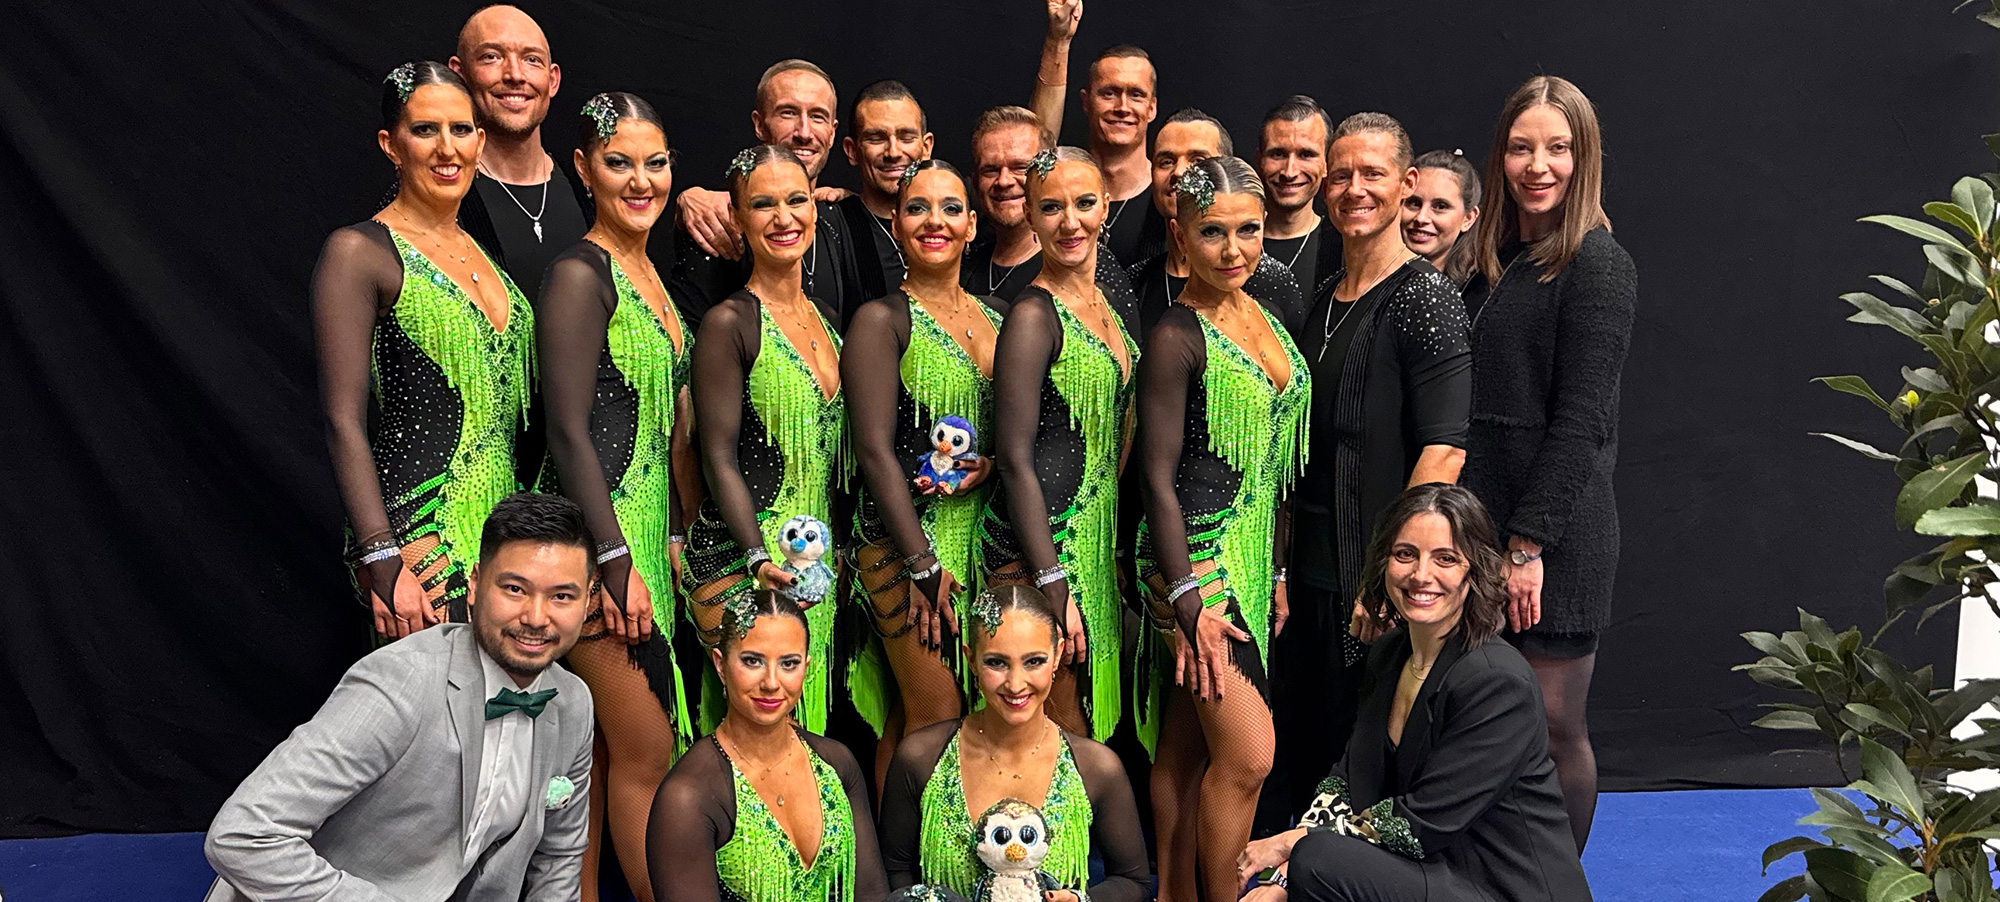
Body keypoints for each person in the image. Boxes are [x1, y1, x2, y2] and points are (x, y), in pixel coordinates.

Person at [204, 493, 597, 902]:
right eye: (515, 589)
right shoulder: (403, 681)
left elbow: (558, 858)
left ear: (588, 599)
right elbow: (244, 835)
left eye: (561, 596)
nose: (536, 617)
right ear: (476, 584)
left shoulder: (573, 703)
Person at [1233, 484, 1593, 902]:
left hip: (1501, 888)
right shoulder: (1390, 652)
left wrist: (1289, 848)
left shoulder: (1498, 681)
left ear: (1473, 571)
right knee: (1316, 860)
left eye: (1446, 559)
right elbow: (1348, 780)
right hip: (1438, 874)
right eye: (1406, 554)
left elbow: (1421, 826)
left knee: (1319, 859)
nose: (1422, 575)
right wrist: (1282, 878)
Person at [1461, 75, 1635, 851]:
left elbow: (1581, 424)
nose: (1539, 165)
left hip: (1552, 539)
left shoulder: (1598, 264)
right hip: (1485, 526)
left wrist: (1528, 546)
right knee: (1492, 720)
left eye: (1558, 148)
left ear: (1584, 156)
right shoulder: (1497, 258)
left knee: (1555, 726)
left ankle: (1558, 885)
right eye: (1522, 147)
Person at [1279, 113, 1470, 819]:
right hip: (1306, 575)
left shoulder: (1425, 298)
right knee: (1304, 748)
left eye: (1373, 174)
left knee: (1362, 763)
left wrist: (1389, 574)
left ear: (1407, 183)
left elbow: (1445, 448)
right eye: (1341, 175)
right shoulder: (1324, 298)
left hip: (1372, 577)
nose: (1354, 189)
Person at [1135, 157, 1311, 902]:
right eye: (1213, 232)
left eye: (1249, 230)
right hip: (1195, 569)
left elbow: (1271, 470)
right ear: (1180, 234)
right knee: (1247, 758)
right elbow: (1155, 478)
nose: (1234, 249)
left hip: (1243, 561)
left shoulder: (1262, 310)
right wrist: (1188, 602)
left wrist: (1272, 569)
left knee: (1182, 751)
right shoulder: (1177, 335)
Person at [535, 92, 694, 902]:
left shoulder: (649, 275)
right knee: (645, 750)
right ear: (584, 169)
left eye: (655, 161)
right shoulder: (578, 271)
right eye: (620, 161)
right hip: (593, 551)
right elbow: (566, 431)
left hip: (639, 548)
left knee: (598, 757)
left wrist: (664, 542)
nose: (641, 179)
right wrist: (612, 557)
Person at [315, 61, 534, 637]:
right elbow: (342, 418)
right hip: (421, 543)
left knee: (507, 723)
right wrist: (380, 558)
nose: (447, 148)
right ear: (391, 144)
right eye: (425, 130)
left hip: (507, 542)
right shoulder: (359, 251)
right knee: (441, 721)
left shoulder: (487, 257)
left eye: (461, 130)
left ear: (480, 141)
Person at [843, 160, 1008, 782]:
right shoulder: (882, 320)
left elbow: (1007, 442)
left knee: (942, 715)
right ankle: (900, 873)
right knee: (934, 715)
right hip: (901, 543)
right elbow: (874, 451)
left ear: (972, 224)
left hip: (982, 542)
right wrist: (921, 562)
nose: (933, 221)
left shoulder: (998, 317)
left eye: (948, 209)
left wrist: (989, 465)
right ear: (896, 221)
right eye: (916, 208)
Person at [685, 144, 847, 735]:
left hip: (812, 560)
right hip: (743, 557)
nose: (784, 217)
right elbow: (715, 454)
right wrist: (757, 556)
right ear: (737, 216)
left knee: (803, 736)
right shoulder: (729, 323)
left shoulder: (828, 318)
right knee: (748, 733)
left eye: (796, 200)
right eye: (763, 204)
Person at [984, 147, 1140, 743]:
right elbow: (1015, 459)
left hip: (1089, 540)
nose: (1070, 221)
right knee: (1051, 737)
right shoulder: (1032, 314)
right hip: (1036, 549)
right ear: (1028, 213)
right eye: (1051, 207)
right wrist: (1052, 581)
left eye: (1083, 203)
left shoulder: (1103, 302)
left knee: (1080, 736)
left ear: (1106, 205)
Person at [879, 586, 1151, 902]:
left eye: (1034, 661)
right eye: (997, 662)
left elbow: (1134, 882)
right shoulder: (921, 757)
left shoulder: (1096, 767)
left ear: (1057, 655)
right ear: (971, 660)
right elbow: (893, 872)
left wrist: (1080, 900)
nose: (1016, 683)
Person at [646, 591, 890, 902]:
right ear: (720, 665)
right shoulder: (687, 796)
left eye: (789, 663)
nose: (772, 682)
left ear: (806, 666)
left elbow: (872, 893)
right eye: (752, 661)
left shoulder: (836, 762)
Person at [673, 59, 865, 327]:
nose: (805, 132)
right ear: (759, 124)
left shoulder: (842, 218)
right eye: (788, 113)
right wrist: (686, 198)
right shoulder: (719, 222)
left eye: (817, 116)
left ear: (832, 133)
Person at [448, 4, 590, 303]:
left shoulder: (590, 188)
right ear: (459, 76)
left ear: (552, 80)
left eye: (531, 60)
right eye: (492, 57)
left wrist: (691, 199)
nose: (514, 74)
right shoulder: (439, 195)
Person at [1128, 109, 1306, 335]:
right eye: (1166, 161)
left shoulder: (1270, 281)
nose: (1180, 172)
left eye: (1198, 161)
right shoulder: (1136, 280)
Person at [1032, 36, 1160, 269]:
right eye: (1109, 93)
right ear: (1086, 101)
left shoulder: (1166, 196)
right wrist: (1058, 41)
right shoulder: (1058, 188)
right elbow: (1034, 151)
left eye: (1136, 95)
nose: (1122, 107)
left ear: (1152, 108)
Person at [836, 80, 936, 300]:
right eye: (876, 138)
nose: (893, 152)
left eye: (906, 137)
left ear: (926, 146)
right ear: (852, 150)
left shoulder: (955, 221)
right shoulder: (832, 227)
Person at [960, 106, 1054, 302]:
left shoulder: (1075, 261)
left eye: (1020, 167)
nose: (1004, 181)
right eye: (991, 170)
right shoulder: (964, 266)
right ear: (975, 181)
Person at [1257, 96, 1338, 297]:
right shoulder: (1232, 241)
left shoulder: (1343, 247)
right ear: (1259, 160)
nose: (1289, 172)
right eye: (1278, 154)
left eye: (1306, 155)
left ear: (1327, 163)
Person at [1401, 149, 1482, 286]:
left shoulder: (1475, 295)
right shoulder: (1366, 279)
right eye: (1414, 203)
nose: (1421, 218)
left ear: (1468, 219)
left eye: (1440, 207)